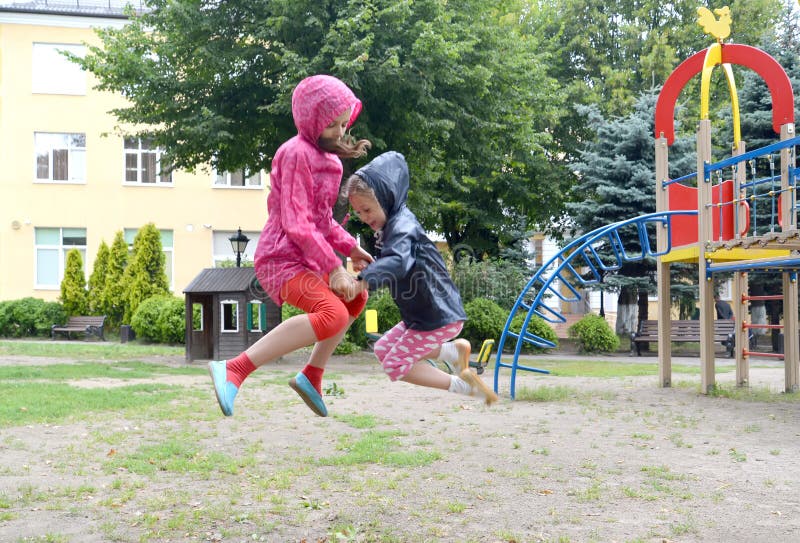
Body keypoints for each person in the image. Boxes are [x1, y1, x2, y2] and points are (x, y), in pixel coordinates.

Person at [208, 75, 374, 418]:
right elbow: (297, 222)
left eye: (344, 124)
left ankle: (312, 375)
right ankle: (234, 369)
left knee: (357, 296)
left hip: (306, 258)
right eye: (332, 125)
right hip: (279, 258)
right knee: (332, 315)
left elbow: (323, 220)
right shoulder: (295, 153)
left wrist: (351, 249)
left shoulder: (332, 162)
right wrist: (333, 268)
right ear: (311, 120)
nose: (340, 132)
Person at [345, 151, 498, 405]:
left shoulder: (402, 225)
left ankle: (463, 386)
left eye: (367, 209)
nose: (364, 217)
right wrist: (371, 266)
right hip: (422, 314)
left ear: (386, 198)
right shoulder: (390, 227)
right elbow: (397, 265)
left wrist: (364, 279)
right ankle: (454, 350)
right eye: (359, 212)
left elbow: (398, 261)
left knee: (395, 365)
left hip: (436, 314)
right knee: (383, 349)